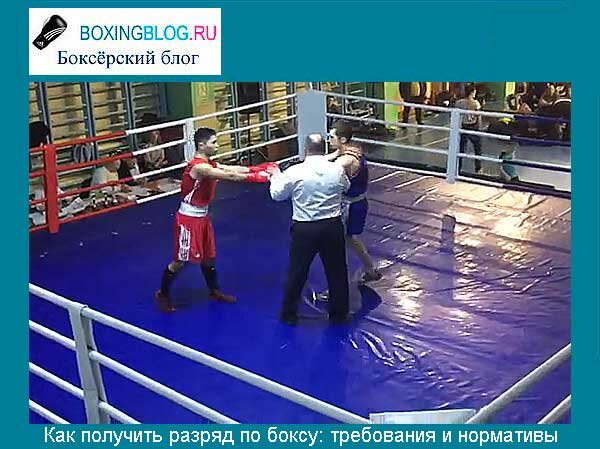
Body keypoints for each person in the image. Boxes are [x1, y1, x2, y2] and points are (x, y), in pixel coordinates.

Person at [155, 127, 274, 312]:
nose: (217, 146)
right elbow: (229, 176)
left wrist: (259, 168)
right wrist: (258, 177)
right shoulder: (199, 167)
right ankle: (162, 293)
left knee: (209, 257)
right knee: (180, 260)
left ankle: (214, 291)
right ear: (202, 145)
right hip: (188, 219)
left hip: (202, 218)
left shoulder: (209, 163)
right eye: (214, 142)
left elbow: (232, 168)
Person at [270, 134, 350, 325]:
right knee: (337, 270)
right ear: (324, 149)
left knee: (297, 271)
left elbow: (277, 195)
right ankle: (340, 314)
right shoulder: (337, 169)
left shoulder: (294, 172)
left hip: (305, 228)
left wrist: (275, 176)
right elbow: (346, 187)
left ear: (305, 149)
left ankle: (289, 314)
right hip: (332, 226)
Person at [326, 121, 382, 285]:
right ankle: (370, 270)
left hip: (352, 206)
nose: (329, 140)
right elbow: (325, 159)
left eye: (332, 137)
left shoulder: (347, 159)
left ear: (342, 139)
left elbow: (327, 169)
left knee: (342, 241)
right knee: (348, 239)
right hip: (353, 202)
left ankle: (339, 284)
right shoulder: (349, 149)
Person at [455, 84, 483, 174]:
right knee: (478, 148)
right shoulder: (476, 103)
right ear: (472, 92)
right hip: (473, 126)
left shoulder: (459, 103)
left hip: (463, 126)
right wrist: (480, 128)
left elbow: (456, 115)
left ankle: (457, 167)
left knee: (461, 148)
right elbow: (478, 116)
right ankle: (478, 168)